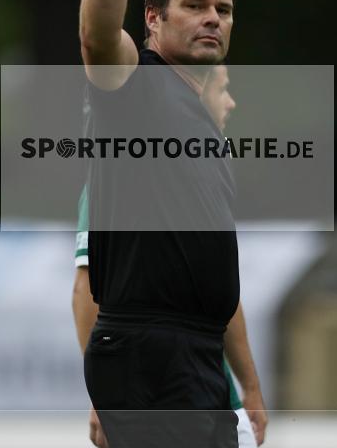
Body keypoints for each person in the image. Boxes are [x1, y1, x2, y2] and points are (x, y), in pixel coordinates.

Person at [79, 0, 254, 448]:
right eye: (196, 5)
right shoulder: (136, 84)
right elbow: (98, 36)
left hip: (195, 358)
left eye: (223, 9)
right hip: (148, 353)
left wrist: (246, 383)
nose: (213, 19)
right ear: (153, 18)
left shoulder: (201, 118)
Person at [72, 66, 267, 448]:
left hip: (211, 394)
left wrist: (251, 387)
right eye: (223, 90)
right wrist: (104, 396)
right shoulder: (117, 182)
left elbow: (221, 294)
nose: (231, 102)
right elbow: (87, 290)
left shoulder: (199, 177)